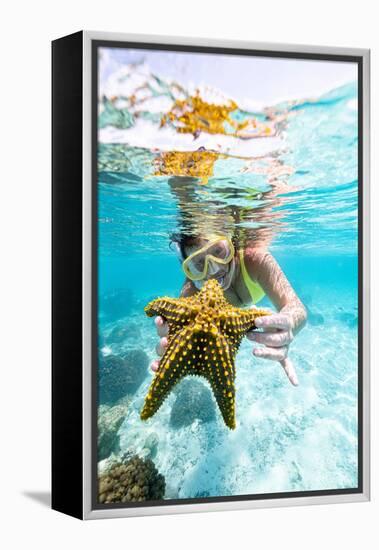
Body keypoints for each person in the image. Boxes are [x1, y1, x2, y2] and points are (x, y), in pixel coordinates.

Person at [151, 232, 307, 386]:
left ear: (231, 244)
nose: (213, 269)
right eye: (199, 262)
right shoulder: (191, 292)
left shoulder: (254, 259)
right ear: (190, 270)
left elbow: (296, 307)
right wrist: (175, 349)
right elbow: (179, 338)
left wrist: (289, 322)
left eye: (218, 251)